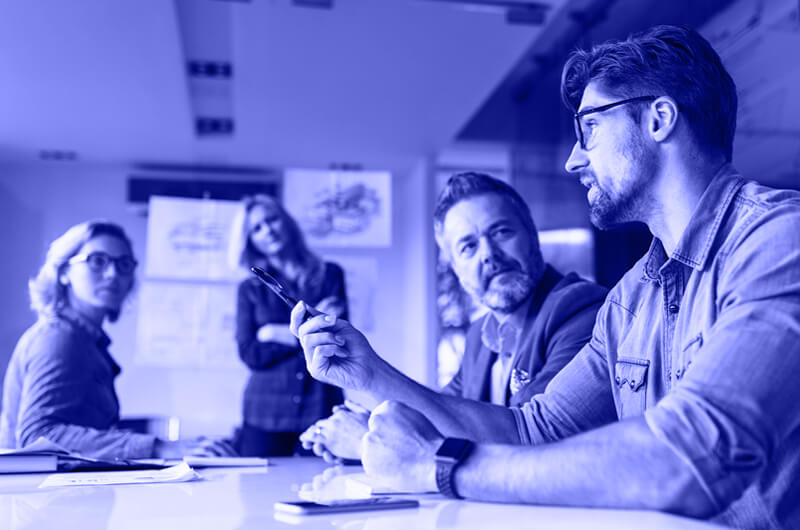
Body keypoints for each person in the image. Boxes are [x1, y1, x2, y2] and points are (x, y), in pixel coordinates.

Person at [292, 25, 800, 528]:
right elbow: (532, 430)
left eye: (589, 129)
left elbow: (696, 456)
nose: (573, 159)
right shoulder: (631, 299)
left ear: (659, 119)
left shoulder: (779, 239)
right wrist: (370, 375)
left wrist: (441, 466)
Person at [298, 172, 607, 462]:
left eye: (500, 232)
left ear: (532, 236)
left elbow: (527, 440)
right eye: (467, 247)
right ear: (456, 269)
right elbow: (443, 415)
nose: (488, 254)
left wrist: (367, 439)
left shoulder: (583, 311)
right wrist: (373, 424)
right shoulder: (479, 336)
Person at [0, 220, 233, 459]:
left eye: (123, 265)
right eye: (97, 261)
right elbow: (38, 435)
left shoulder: (87, 341)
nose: (113, 274)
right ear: (64, 273)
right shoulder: (59, 338)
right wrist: (159, 447)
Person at [228, 194, 347, 456]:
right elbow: (250, 353)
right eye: (256, 228)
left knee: (323, 489)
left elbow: (337, 339)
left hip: (321, 406)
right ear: (250, 241)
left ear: (287, 223)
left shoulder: (330, 275)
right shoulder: (249, 289)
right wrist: (308, 332)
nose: (267, 230)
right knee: (258, 493)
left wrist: (274, 333)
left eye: (272, 220)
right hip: (265, 412)